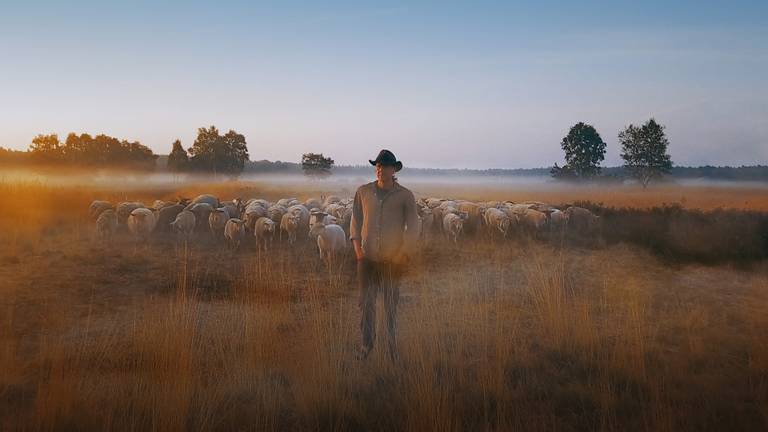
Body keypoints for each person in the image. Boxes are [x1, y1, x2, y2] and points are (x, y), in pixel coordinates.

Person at [349, 149, 420, 361]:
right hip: (367, 259)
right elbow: (355, 221)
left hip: (392, 261)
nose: (380, 169)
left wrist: (404, 254)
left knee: (390, 305)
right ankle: (366, 345)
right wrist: (359, 252)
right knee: (367, 304)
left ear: (393, 169)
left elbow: (414, 226)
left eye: (384, 166)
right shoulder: (363, 192)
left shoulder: (405, 196)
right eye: (377, 166)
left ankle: (391, 347)